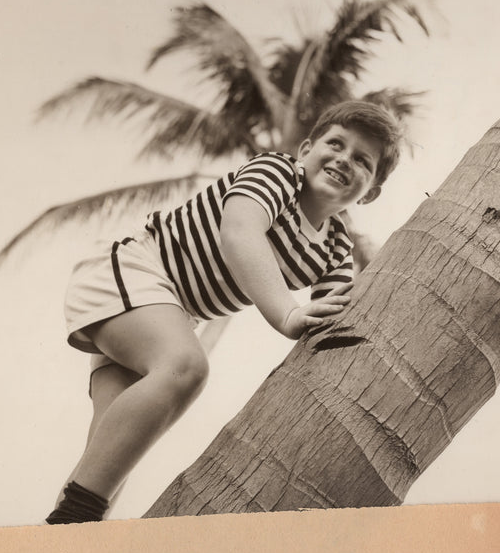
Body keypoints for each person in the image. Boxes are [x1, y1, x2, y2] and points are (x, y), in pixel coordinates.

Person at [46, 100, 402, 524]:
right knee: (185, 366)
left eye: (362, 161)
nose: (344, 159)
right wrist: (287, 314)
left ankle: (64, 542)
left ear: (373, 191)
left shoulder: (335, 246)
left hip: (166, 315)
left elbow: (336, 321)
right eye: (336, 144)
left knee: (110, 454)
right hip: (134, 270)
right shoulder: (277, 172)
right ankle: (74, 519)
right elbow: (239, 231)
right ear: (306, 149)